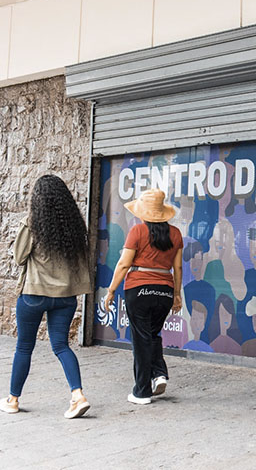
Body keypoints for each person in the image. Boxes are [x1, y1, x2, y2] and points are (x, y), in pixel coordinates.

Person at [2, 175, 92, 419]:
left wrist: (26, 223)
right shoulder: (75, 226)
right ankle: (77, 395)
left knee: (24, 347)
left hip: (34, 294)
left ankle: (13, 400)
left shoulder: (33, 224)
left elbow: (19, 257)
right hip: (65, 297)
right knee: (61, 345)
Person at [103, 189, 183, 405]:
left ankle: (142, 391)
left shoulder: (137, 231)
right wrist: (176, 295)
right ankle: (159, 374)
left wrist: (110, 291)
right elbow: (177, 267)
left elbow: (123, 264)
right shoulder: (175, 234)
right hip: (164, 291)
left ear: (143, 213)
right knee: (152, 334)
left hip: (139, 290)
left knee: (141, 339)